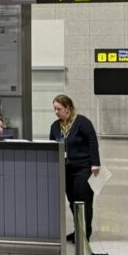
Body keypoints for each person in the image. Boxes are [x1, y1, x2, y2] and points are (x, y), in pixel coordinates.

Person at [49, 95, 100, 242]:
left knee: (83, 201)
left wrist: (95, 163)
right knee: (72, 201)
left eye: (59, 109)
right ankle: (77, 230)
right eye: (54, 109)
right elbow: (52, 146)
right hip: (66, 169)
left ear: (68, 108)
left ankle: (85, 233)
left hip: (83, 168)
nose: (56, 112)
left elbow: (92, 142)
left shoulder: (82, 122)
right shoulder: (55, 126)